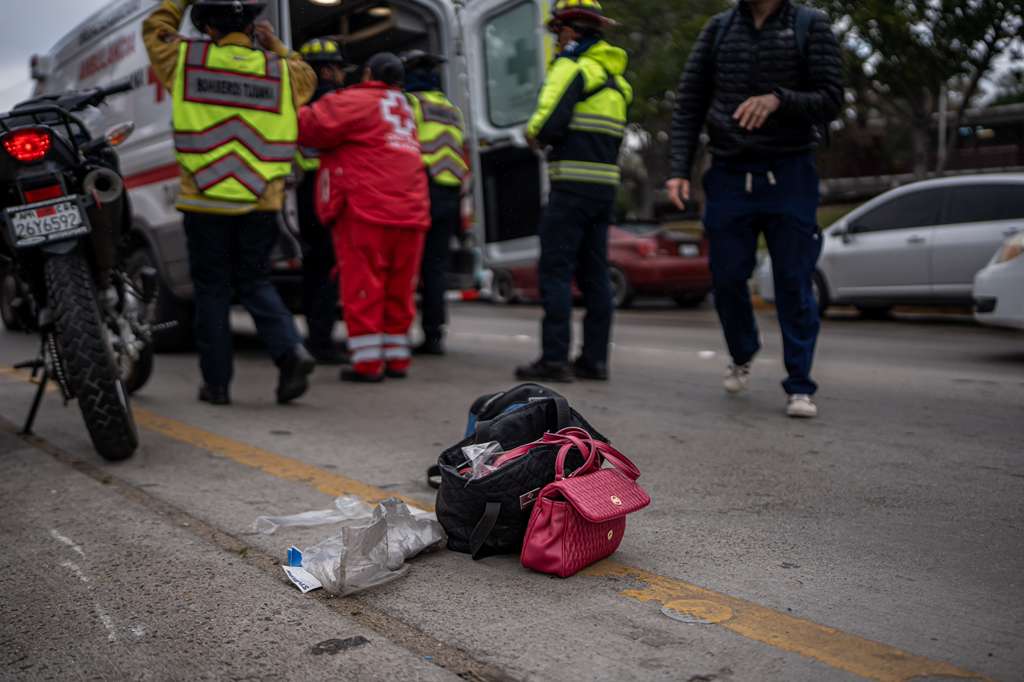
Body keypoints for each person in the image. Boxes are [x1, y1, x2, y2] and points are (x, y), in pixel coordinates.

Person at [666, 0, 843, 418]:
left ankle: (799, 384)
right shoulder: (718, 29)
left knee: (793, 281)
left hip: (790, 172)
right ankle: (742, 351)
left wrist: (780, 100)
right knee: (726, 277)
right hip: (728, 173)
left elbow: (832, 98)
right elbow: (689, 104)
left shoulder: (810, 25)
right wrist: (678, 170)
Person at [143, 0, 317, 406]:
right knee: (255, 282)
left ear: (207, 28)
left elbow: (155, 28)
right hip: (260, 199)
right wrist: (276, 46)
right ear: (253, 27)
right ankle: (290, 351)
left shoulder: (185, 58)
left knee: (212, 291)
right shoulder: (280, 70)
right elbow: (308, 75)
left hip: (206, 199)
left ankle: (217, 386)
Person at [514, 0, 632, 383]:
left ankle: (554, 359)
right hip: (604, 192)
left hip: (570, 190)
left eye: (557, 32)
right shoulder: (619, 83)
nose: (555, 40)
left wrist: (532, 136)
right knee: (596, 275)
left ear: (571, 31)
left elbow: (545, 123)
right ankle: (594, 361)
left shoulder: (571, 67)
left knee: (556, 272)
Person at [298, 53, 430, 382]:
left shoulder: (356, 100)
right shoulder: (407, 106)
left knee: (363, 286)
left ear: (368, 73)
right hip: (412, 209)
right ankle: (397, 359)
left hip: (366, 208)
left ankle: (368, 364)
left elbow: (310, 127)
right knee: (399, 289)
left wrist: (295, 95)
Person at [400, 50, 470, 357]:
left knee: (406, 266)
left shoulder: (410, 104)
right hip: (450, 194)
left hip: (419, 190)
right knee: (435, 269)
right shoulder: (452, 109)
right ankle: (434, 335)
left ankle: (395, 335)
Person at [295, 38, 354, 365]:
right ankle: (322, 341)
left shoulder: (297, 102)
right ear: (329, 70)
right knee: (330, 269)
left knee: (313, 268)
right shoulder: (337, 103)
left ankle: (316, 334)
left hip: (306, 193)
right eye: (339, 68)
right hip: (331, 190)